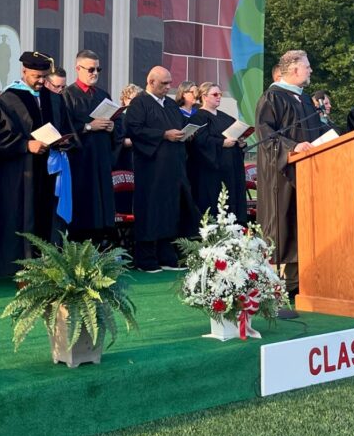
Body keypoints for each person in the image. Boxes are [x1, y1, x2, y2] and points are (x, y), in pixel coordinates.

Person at [0, 51, 76, 275]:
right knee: (22, 216)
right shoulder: (6, 100)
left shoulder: (54, 98)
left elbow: (67, 127)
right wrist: (26, 145)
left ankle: (51, 265)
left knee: (50, 218)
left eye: (44, 77)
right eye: (36, 76)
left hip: (50, 170)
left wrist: (65, 142)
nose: (41, 81)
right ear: (24, 71)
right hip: (19, 174)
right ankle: (20, 267)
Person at [255, 50, 326, 312]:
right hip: (282, 176)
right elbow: (266, 134)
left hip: (308, 175)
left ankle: (298, 283)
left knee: (303, 227)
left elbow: (318, 132)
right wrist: (293, 147)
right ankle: (274, 287)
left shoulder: (305, 100)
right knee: (282, 226)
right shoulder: (272, 97)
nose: (310, 71)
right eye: (307, 66)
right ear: (294, 70)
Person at [124, 66, 199, 271]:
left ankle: (167, 256)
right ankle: (146, 259)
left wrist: (186, 133)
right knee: (150, 210)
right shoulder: (140, 103)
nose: (168, 87)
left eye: (169, 83)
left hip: (173, 167)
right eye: (164, 83)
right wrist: (163, 134)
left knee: (170, 210)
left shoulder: (171, 105)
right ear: (151, 82)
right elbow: (135, 130)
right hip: (151, 167)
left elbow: (182, 124)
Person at [62, 50, 116, 242]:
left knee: (102, 206)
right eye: (90, 69)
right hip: (81, 162)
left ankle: (102, 245)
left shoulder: (103, 94)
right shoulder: (67, 95)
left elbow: (115, 131)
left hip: (101, 158)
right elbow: (64, 129)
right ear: (78, 69)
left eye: (98, 69)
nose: (95, 73)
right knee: (84, 207)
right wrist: (88, 126)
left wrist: (111, 127)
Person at [194, 82, 249, 224]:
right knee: (217, 203)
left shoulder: (226, 117)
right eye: (215, 94)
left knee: (233, 202)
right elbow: (200, 141)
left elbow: (235, 134)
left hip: (231, 168)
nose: (219, 97)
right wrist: (221, 143)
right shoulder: (198, 117)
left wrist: (241, 142)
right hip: (214, 172)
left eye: (220, 94)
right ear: (204, 96)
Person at [112, 83, 142, 217]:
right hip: (125, 161)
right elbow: (119, 141)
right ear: (124, 99)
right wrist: (141, 140)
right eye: (130, 99)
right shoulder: (120, 117)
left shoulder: (143, 117)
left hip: (140, 160)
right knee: (124, 197)